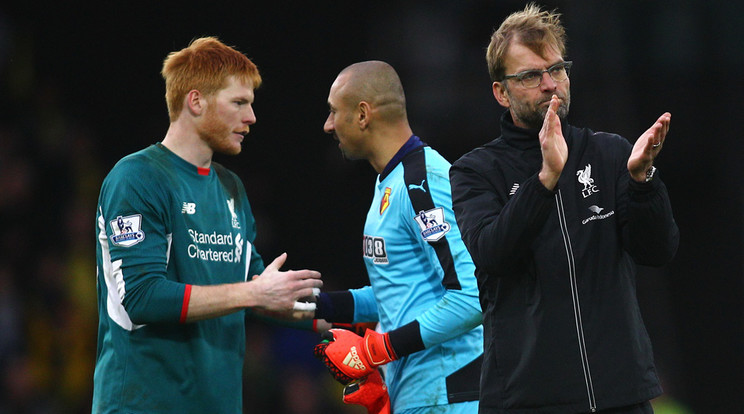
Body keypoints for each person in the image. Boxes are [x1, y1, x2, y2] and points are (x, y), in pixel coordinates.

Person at [449, 4, 679, 414]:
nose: (549, 85)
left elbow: (658, 251)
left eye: (557, 70)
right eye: (530, 76)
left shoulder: (609, 153)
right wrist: (545, 180)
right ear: (501, 92)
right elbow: (492, 253)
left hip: (621, 395)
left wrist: (644, 181)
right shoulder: (476, 171)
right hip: (529, 401)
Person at [92, 37, 322, 414]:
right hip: (142, 405)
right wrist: (253, 294)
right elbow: (142, 297)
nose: (251, 117)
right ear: (195, 101)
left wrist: (357, 316)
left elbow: (263, 291)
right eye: (239, 103)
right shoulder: (136, 178)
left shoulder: (231, 187)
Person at [313, 60, 483, 414]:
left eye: (333, 111)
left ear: (362, 115)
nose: (328, 124)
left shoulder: (423, 182)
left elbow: (472, 297)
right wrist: (318, 306)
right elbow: (404, 293)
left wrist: (377, 350)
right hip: (420, 397)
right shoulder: (389, 181)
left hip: (451, 397)